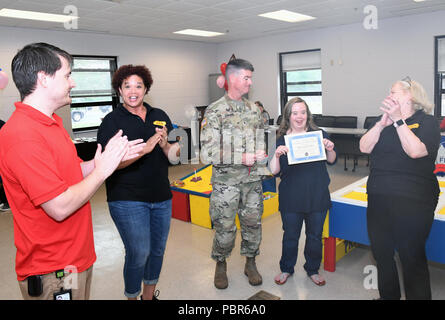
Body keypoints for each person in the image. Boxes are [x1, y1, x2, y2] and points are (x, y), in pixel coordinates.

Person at [0, 43, 144, 300]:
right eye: (67, 75)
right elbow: (59, 207)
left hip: (76, 258)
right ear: (43, 79)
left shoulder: (51, 123)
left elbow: (70, 171)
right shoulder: (22, 135)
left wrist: (101, 162)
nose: (72, 83)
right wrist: (102, 172)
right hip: (52, 269)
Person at [97, 64, 180, 300]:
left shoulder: (159, 115)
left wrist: (165, 145)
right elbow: (106, 165)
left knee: (156, 251)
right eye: (127, 86)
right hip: (127, 198)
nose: (133, 91)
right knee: (138, 252)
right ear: (119, 91)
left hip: (161, 196)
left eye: (138, 86)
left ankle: (148, 296)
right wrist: (143, 151)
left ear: (146, 89)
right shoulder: (112, 121)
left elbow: (175, 158)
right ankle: (132, 297)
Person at [359, 77, 440, 300]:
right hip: (379, 196)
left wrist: (398, 121)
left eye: (394, 92)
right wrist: (381, 123)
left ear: (411, 96)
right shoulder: (381, 121)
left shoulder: (428, 122)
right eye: (389, 91)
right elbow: (364, 147)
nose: (389, 95)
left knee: (410, 256)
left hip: (414, 199)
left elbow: (416, 151)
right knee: (382, 254)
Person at [200, 58, 268, 289]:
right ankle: (221, 264)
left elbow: (260, 137)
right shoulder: (215, 110)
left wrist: (261, 152)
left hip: (252, 181)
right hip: (226, 183)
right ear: (232, 79)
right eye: (246, 78)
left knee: (252, 224)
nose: (250, 82)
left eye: (250, 78)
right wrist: (240, 158)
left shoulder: (253, 110)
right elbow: (207, 152)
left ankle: (251, 262)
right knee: (225, 227)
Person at [269, 97, 336, 286]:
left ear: (308, 114)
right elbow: (274, 171)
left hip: (317, 194)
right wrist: (276, 154)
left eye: (303, 112)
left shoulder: (319, 134)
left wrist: (330, 148)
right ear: (288, 116)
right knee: (290, 235)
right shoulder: (281, 140)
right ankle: (286, 268)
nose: (300, 117)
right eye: (295, 113)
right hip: (291, 197)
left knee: (315, 236)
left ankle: (312, 269)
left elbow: (332, 159)